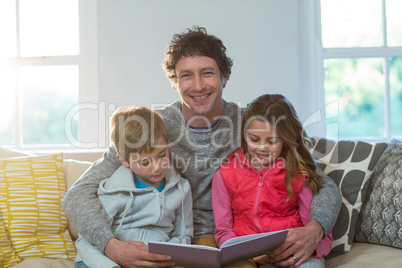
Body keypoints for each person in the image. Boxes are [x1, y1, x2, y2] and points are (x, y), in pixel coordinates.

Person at [62, 26, 341, 268]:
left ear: (224, 78)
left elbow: (321, 183)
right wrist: (111, 246)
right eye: (186, 76)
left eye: (207, 73)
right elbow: (77, 195)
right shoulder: (151, 129)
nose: (197, 85)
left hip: (239, 239)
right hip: (171, 241)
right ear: (175, 82)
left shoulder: (253, 125)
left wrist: (315, 229)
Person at [212, 94, 333, 268]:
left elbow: (314, 232)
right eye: (254, 139)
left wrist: (304, 251)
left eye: (272, 141)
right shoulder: (224, 175)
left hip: (294, 255)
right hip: (251, 256)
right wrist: (252, 256)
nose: (262, 147)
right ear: (244, 135)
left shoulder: (298, 172)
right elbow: (223, 231)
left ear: (285, 140)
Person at [74, 106, 193, 268]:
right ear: (124, 161)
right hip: (101, 261)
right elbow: (85, 241)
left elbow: (183, 235)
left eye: (162, 155)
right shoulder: (113, 191)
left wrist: (165, 256)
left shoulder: (181, 189)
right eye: (145, 162)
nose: (157, 167)